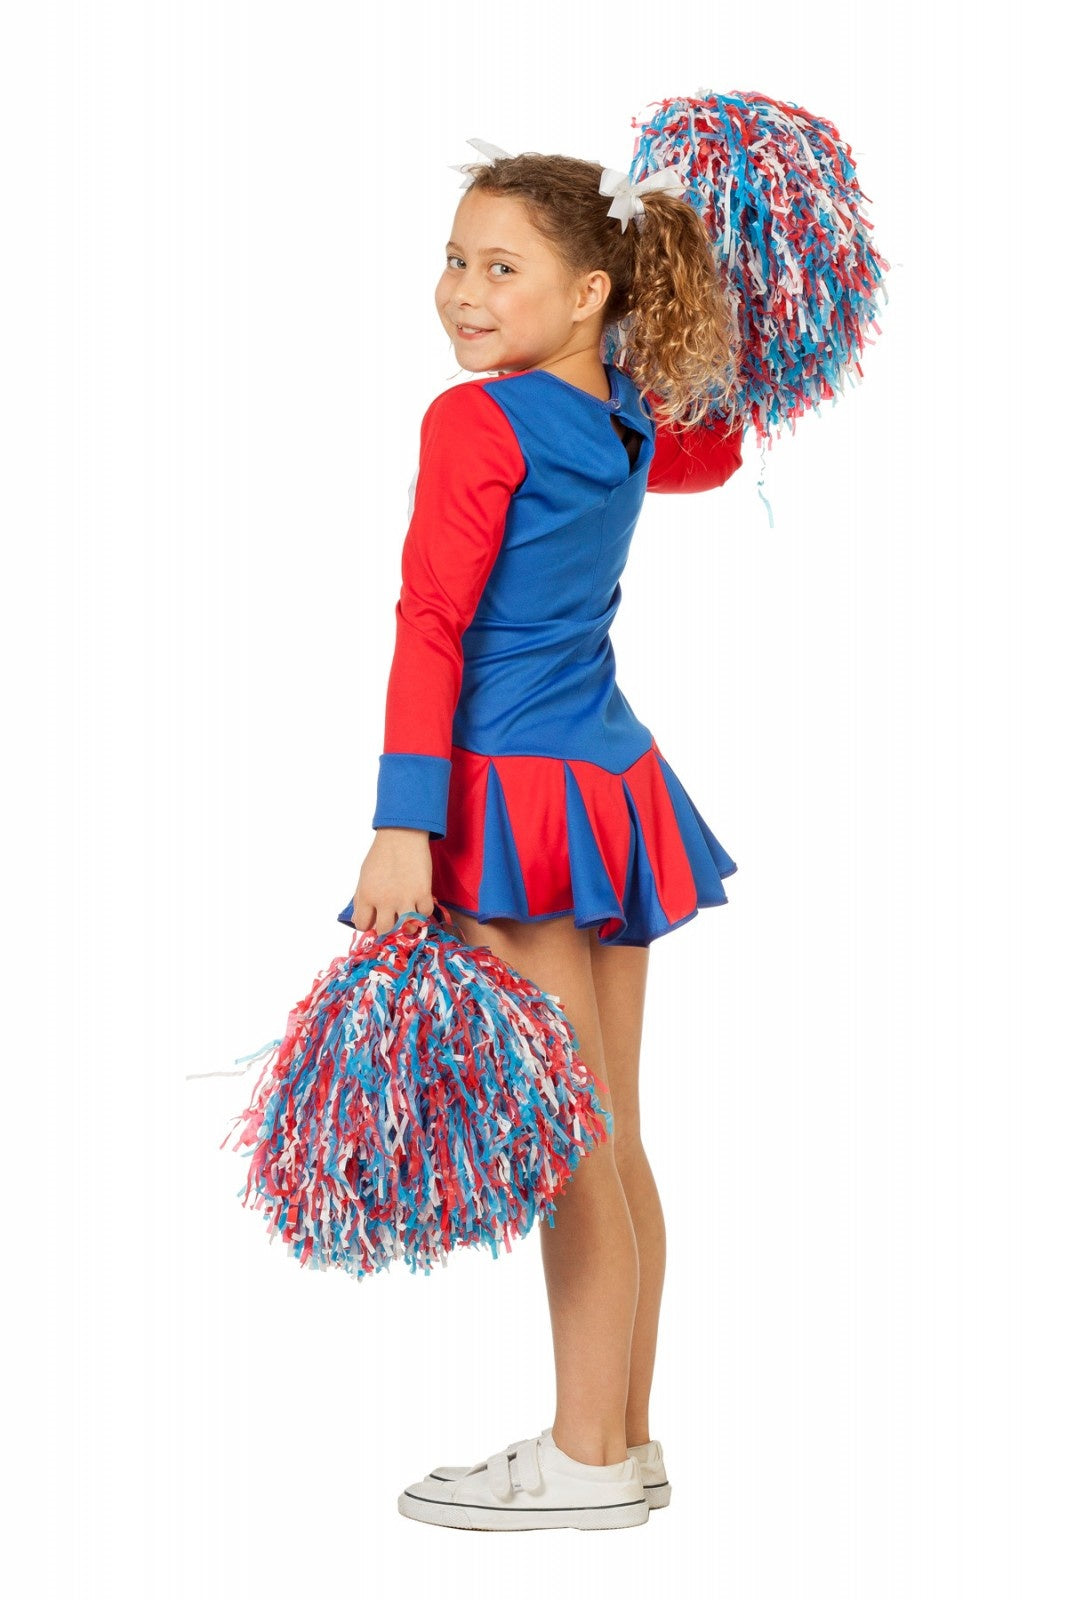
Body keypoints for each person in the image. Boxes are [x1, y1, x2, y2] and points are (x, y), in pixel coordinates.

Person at [335, 144, 744, 1532]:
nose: (461, 290)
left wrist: (404, 821)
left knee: (571, 1144)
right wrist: (732, 327)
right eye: (454, 259)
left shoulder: (479, 422)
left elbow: (431, 623)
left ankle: (582, 1461)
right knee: (611, 1135)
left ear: (589, 292)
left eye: (500, 267)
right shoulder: (625, 414)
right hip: (610, 788)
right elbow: (716, 448)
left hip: (516, 804)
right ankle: (622, 1439)